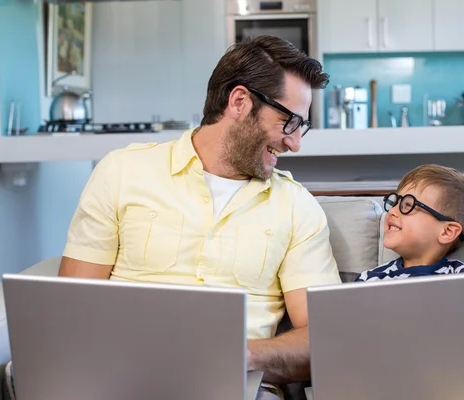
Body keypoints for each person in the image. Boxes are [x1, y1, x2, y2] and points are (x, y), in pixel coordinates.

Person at [58, 35, 341, 399]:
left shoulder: (297, 207)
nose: (296, 143)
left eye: (303, 127)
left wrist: (244, 354)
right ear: (239, 101)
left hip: (239, 387)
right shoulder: (121, 172)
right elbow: (70, 306)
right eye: (290, 122)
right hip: (124, 381)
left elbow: (323, 338)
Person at [356, 164, 464, 282]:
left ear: (447, 232)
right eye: (395, 203)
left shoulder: (461, 277)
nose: (392, 211)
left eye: (408, 205)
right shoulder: (370, 279)